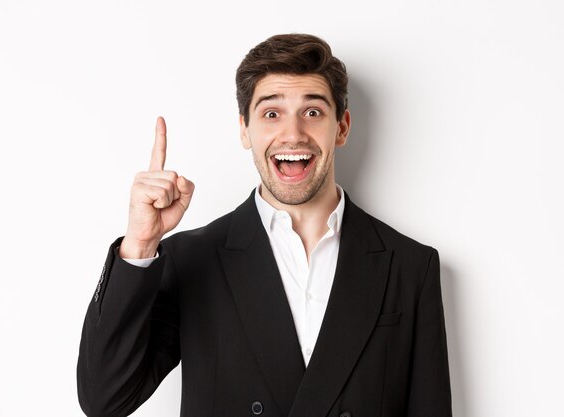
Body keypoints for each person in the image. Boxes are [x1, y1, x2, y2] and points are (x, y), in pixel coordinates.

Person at [77, 33, 452, 417]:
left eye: (312, 112)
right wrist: (139, 244)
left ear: (341, 128)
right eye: (272, 114)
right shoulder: (192, 259)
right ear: (245, 130)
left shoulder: (409, 266)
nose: (292, 134)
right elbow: (105, 399)